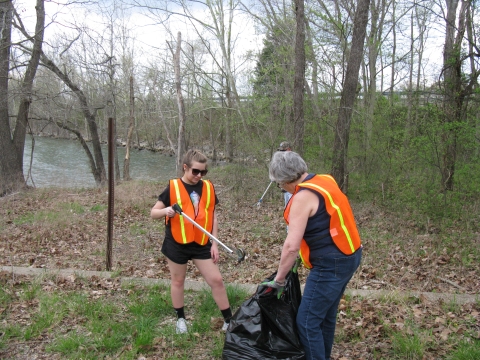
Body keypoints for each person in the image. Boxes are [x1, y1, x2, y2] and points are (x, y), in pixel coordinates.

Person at [262, 151, 362, 360]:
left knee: (307, 321)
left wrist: (279, 279)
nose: (281, 188)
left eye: (279, 184)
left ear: (284, 180)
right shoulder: (325, 180)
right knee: (325, 315)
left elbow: (291, 246)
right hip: (350, 255)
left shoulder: (302, 197)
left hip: (331, 264)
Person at [150, 149, 232, 334]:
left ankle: (229, 320)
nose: (199, 176)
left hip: (201, 243)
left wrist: (215, 243)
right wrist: (166, 211)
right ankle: (180, 320)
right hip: (177, 243)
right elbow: (154, 212)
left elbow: (213, 218)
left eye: (203, 172)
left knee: (216, 280)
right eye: (195, 171)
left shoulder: (208, 187)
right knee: (178, 281)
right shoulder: (173, 187)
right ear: (185, 167)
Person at [277, 141, 293, 208]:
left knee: (291, 208)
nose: (281, 153)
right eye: (280, 151)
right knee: (287, 208)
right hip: (285, 189)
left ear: (288, 149)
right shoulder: (282, 160)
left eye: (283, 151)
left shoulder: (294, 159)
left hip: (292, 189)